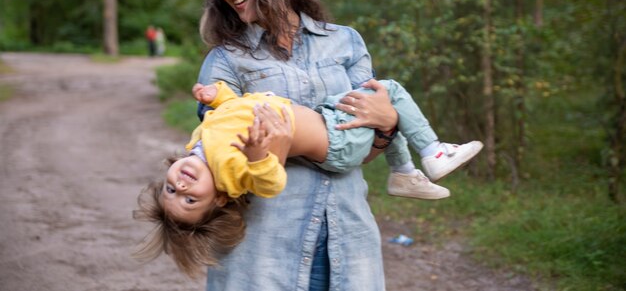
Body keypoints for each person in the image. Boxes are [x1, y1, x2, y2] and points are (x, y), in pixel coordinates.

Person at [181, 0, 474, 290]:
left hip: (349, 245)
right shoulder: (225, 62)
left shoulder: (345, 43)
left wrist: (384, 127)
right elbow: (221, 155)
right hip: (261, 255)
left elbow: (361, 152)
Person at [133, 79, 482, 277]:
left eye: (171, 189)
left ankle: (404, 173)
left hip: (328, 117)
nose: (180, 187)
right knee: (387, 88)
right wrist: (263, 155)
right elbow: (270, 182)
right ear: (220, 198)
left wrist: (217, 95)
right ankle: (433, 152)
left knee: (374, 102)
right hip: (338, 139)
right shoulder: (230, 173)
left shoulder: (200, 142)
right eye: (190, 200)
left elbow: (233, 107)